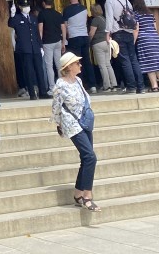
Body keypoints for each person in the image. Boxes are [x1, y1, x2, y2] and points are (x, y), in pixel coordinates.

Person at [52, 52, 99, 211]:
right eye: (77, 63)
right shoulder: (60, 85)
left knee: (86, 158)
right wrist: (59, 124)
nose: (80, 65)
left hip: (85, 121)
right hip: (71, 124)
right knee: (90, 157)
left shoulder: (78, 80)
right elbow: (56, 107)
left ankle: (78, 193)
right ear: (69, 67)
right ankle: (87, 195)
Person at [104, 0, 142, 94]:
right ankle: (141, 86)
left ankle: (131, 87)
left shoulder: (110, 1)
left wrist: (107, 33)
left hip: (118, 32)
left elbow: (109, 18)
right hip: (129, 32)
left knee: (125, 60)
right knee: (133, 59)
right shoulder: (127, 1)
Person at [9, 0, 47, 99]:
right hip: (25, 49)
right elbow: (11, 24)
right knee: (28, 71)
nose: (27, 8)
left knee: (40, 70)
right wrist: (12, 15)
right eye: (24, 6)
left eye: (28, 6)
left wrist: (40, 46)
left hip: (35, 47)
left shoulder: (33, 18)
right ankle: (32, 93)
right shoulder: (17, 18)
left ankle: (43, 92)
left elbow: (36, 33)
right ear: (20, 7)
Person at [131, 0, 159, 92]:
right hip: (154, 38)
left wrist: (133, 42)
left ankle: (154, 86)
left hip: (144, 39)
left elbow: (136, 29)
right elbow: (155, 27)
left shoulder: (136, 14)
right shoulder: (150, 14)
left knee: (148, 62)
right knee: (157, 61)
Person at [63, 0, 96, 94]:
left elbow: (65, 25)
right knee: (87, 61)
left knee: (76, 62)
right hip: (84, 35)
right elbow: (85, 21)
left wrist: (66, 37)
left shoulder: (67, 10)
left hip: (74, 36)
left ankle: (80, 84)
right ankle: (93, 85)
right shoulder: (84, 8)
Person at [36, 0, 66, 94]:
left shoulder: (42, 14)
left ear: (43, 3)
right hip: (58, 41)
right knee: (59, 65)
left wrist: (39, 42)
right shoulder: (58, 14)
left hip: (47, 42)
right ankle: (62, 86)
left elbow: (40, 29)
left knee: (49, 66)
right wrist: (63, 41)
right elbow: (63, 28)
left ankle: (52, 87)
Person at [89, 3, 116, 92]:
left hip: (98, 43)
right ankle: (113, 84)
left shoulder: (95, 20)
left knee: (102, 65)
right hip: (106, 42)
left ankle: (107, 86)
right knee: (108, 64)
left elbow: (91, 33)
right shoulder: (104, 19)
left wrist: (88, 41)